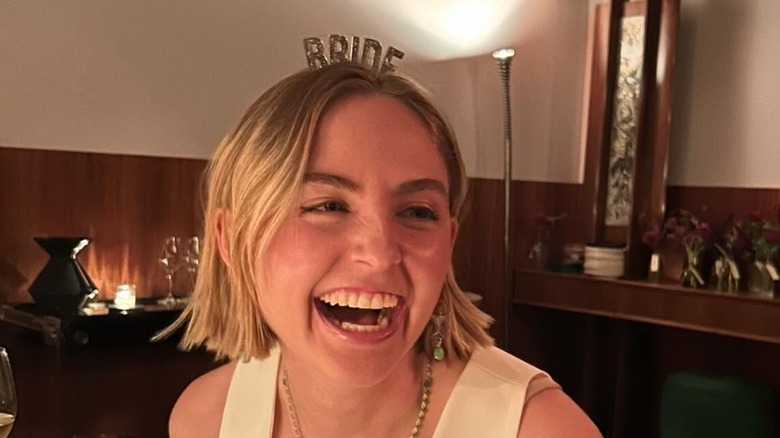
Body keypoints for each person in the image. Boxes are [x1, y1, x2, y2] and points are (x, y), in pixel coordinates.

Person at [165, 61, 601, 437]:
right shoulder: (206, 419)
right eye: (328, 206)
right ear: (230, 238)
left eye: (416, 212)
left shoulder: (541, 429)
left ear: (448, 242)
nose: (379, 254)